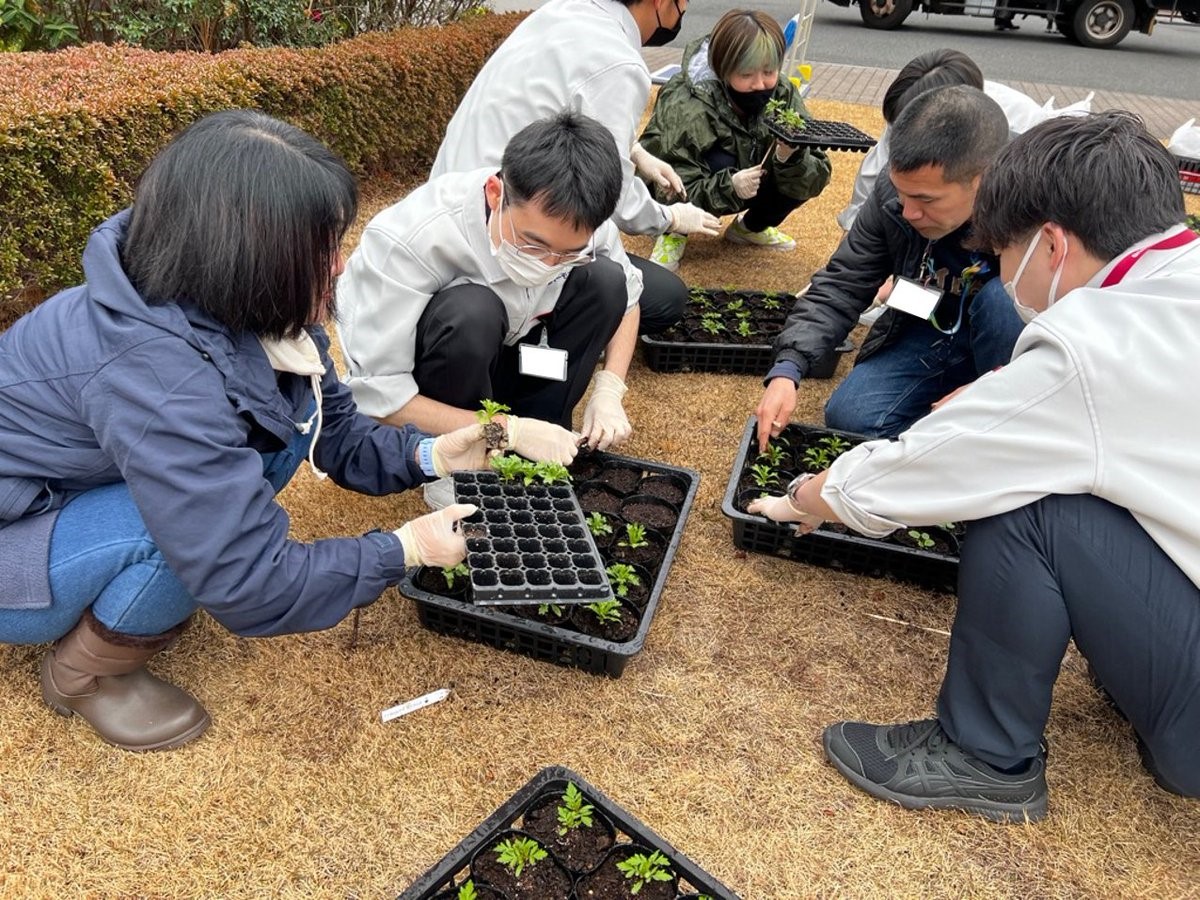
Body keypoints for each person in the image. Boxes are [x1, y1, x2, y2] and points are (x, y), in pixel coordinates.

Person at [749, 111, 1200, 820]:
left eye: (1006, 250)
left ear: (1051, 244)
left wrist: (807, 496)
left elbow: (934, 465)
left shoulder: (1096, 340)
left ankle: (985, 754)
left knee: (1028, 502)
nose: (1000, 266)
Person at [0, 110, 491, 752]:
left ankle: (129, 579)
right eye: (320, 250)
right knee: (174, 527)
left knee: (272, 444)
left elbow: (329, 427)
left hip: (67, 493)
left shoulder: (244, 304)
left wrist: (430, 453)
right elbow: (248, 580)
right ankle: (86, 675)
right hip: (16, 535)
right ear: (246, 256)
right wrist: (402, 551)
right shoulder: (157, 374)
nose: (339, 266)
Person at [338, 113, 635, 512]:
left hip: (517, 354)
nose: (547, 264)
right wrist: (506, 431)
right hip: (445, 375)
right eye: (532, 244)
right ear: (495, 193)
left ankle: (540, 433)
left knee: (605, 281)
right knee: (469, 312)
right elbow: (381, 397)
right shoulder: (411, 240)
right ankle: (462, 464)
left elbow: (629, 297)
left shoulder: (587, 227)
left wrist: (610, 387)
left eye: (566, 254)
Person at [430, 0, 723, 342]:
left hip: (452, 200)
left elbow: (561, 104)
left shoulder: (559, 13)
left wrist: (636, 151)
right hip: (508, 227)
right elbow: (614, 199)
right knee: (663, 298)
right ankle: (538, 335)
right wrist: (670, 217)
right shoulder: (620, 62)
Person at [755, 85, 1024, 450]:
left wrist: (992, 388)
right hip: (930, 328)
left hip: (1012, 350)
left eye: (926, 200)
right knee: (853, 418)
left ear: (982, 180)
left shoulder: (1036, 208)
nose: (908, 211)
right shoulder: (893, 194)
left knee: (1003, 301)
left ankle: (997, 431)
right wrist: (788, 369)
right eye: (903, 193)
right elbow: (844, 282)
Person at [637, 9, 832, 273]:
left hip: (747, 182)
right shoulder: (688, 102)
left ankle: (749, 228)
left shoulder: (783, 91)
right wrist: (730, 186)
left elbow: (818, 172)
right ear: (723, 69)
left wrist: (789, 157)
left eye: (769, 71)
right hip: (685, 187)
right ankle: (673, 230)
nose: (760, 84)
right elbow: (669, 184)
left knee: (796, 167)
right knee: (717, 159)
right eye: (747, 74)